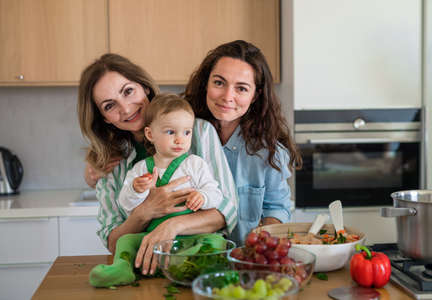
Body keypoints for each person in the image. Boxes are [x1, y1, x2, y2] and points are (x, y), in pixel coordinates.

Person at [77, 53, 238, 277]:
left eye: (128, 91)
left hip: (195, 268)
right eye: (109, 105)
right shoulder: (110, 163)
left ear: (145, 87)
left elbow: (227, 210)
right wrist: (145, 211)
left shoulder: (198, 132)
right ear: (104, 118)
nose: (125, 109)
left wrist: (172, 226)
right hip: (144, 273)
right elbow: (113, 241)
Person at [184, 40, 302, 244]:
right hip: (189, 259)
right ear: (206, 83)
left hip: (246, 262)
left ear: (255, 95)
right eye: (219, 83)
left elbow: (277, 207)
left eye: (241, 88)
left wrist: (262, 237)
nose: (227, 97)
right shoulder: (180, 135)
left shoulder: (269, 151)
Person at [118, 93, 223, 219]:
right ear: (150, 134)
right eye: (170, 132)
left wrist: (203, 197)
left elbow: (216, 195)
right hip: (154, 233)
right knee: (125, 240)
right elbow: (125, 205)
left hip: (192, 232)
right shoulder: (140, 169)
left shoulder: (195, 164)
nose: (180, 140)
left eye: (186, 132)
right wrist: (135, 190)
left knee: (215, 240)